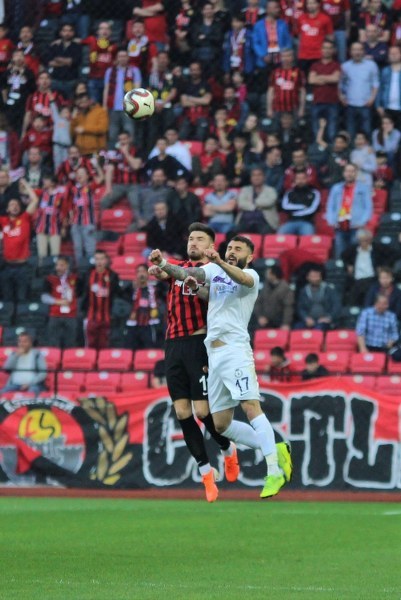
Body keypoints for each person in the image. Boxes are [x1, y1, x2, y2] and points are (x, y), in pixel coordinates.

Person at [154, 235, 293, 499]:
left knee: (251, 407)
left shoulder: (251, 275)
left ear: (249, 257)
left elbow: (240, 280)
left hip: (235, 350)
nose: (231, 251)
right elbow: (190, 273)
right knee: (220, 425)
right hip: (213, 353)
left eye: (238, 249)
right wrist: (166, 265)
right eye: (229, 247)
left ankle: (274, 471)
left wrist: (219, 262)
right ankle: (277, 447)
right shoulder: (215, 271)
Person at [148, 223, 241, 503]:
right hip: (172, 345)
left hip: (198, 344)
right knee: (182, 412)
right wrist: (158, 270)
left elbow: (180, 273)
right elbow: (170, 272)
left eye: (200, 239)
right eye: (191, 238)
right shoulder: (179, 268)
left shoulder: (213, 272)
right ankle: (205, 472)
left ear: (211, 246)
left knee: (202, 411)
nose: (193, 242)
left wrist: (163, 265)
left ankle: (227, 447)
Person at [0, 180, 39, 302]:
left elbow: (35, 200)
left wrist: (26, 185)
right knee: (7, 298)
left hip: (22, 267)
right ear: (7, 209)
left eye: (17, 204)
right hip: (6, 266)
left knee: (22, 298)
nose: (15, 206)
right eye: (12, 205)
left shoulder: (25, 218)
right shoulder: (3, 221)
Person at [326, 163, 373, 258]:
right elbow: (330, 206)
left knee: (355, 254)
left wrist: (362, 222)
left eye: (352, 171)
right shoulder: (336, 188)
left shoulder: (364, 188)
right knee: (340, 253)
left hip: (356, 226)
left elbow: (368, 207)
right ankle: (340, 271)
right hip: (339, 226)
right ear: (343, 173)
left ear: (356, 173)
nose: (349, 173)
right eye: (347, 171)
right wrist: (331, 220)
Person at [341, 228, 395, 306]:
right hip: (356, 280)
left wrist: (383, 266)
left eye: (366, 240)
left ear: (370, 240)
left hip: (372, 280)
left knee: (371, 295)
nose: (363, 243)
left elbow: (394, 254)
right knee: (350, 296)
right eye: (361, 241)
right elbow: (342, 256)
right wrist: (348, 265)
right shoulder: (353, 250)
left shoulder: (377, 248)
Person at [81, 250, 120, 349]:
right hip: (90, 318)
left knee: (105, 346)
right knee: (90, 346)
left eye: (102, 259)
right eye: (97, 259)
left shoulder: (113, 276)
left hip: (107, 318)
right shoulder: (88, 275)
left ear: (106, 261)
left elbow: (116, 294)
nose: (99, 262)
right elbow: (82, 293)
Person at [339, 42, 380, 139]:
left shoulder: (371, 65)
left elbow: (376, 83)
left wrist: (372, 99)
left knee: (367, 131)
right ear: (350, 51)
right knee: (350, 132)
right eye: (354, 49)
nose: (357, 52)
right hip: (350, 104)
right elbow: (340, 84)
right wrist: (341, 97)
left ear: (363, 51)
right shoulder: (345, 66)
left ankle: (366, 152)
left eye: (359, 49)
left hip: (366, 104)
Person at [103, 48, 142, 147]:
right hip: (113, 107)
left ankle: (129, 154)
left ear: (128, 58)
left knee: (130, 133)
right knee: (112, 133)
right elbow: (106, 89)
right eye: (120, 56)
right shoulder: (110, 71)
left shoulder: (134, 70)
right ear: (117, 58)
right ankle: (112, 155)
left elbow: (137, 89)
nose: (122, 58)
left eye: (124, 56)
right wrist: (104, 105)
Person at [41, 255, 80, 348]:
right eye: (57, 265)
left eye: (61, 265)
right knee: (53, 343)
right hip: (55, 315)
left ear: (68, 266)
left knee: (71, 343)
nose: (58, 268)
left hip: (71, 315)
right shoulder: (49, 279)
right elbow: (44, 297)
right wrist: (58, 302)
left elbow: (81, 294)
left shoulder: (76, 278)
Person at [101, 132, 143, 211]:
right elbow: (109, 170)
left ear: (130, 139)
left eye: (125, 139)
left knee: (136, 204)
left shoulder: (137, 151)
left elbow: (136, 166)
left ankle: (138, 223)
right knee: (104, 202)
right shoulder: (115, 153)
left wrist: (126, 153)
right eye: (120, 140)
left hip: (134, 185)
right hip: (119, 185)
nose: (123, 142)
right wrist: (108, 188)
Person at [308, 40, 341, 142]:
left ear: (333, 50)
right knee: (316, 130)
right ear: (321, 50)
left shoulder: (336, 65)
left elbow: (336, 79)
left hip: (332, 102)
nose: (327, 50)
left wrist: (320, 77)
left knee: (332, 131)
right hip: (317, 101)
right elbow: (311, 80)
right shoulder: (315, 65)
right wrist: (328, 78)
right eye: (325, 48)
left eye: (329, 48)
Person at [125, 263, 160, 350]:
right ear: (136, 275)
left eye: (143, 271)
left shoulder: (155, 290)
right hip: (133, 326)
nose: (141, 274)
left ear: (148, 274)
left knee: (149, 350)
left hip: (149, 326)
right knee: (130, 351)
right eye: (138, 272)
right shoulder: (130, 290)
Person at [235, 167, 279, 234]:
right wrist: (255, 206)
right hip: (245, 221)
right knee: (233, 233)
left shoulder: (271, 190)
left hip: (265, 221)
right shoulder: (244, 189)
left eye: (259, 175)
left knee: (265, 232)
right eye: (254, 175)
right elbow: (241, 203)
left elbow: (269, 202)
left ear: (264, 177)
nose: (256, 177)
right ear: (251, 178)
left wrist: (251, 203)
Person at [35, 173, 68, 262]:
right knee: (41, 254)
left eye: (47, 180)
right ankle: (42, 273)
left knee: (55, 254)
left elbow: (63, 212)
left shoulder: (60, 195)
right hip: (41, 228)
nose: (44, 181)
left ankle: (54, 273)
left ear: (53, 183)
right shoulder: (42, 194)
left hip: (55, 228)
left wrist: (64, 227)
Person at [296, 266, 341, 330]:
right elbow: (300, 308)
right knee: (297, 328)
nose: (316, 279)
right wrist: (306, 318)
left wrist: (328, 318)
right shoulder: (304, 291)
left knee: (318, 329)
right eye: (313, 276)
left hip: (325, 320)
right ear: (307, 278)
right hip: (309, 320)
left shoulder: (329, 289)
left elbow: (337, 306)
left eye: (317, 276)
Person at [279, 169, 321, 235]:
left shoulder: (314, 193)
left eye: (303, 178)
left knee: (308, 238)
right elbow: (285, 207)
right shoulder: (289, 193)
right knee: (280, 235)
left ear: (307, 179)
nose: (300, 181)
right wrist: (303, 206)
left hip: (307, 222)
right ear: (294, 180)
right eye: (298, 178)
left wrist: (294, 211)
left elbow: (312, 209)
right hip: (291, 222)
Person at [46, 23, 82, 99]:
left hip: (71, 81)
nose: (67, 33)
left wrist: (58, 59)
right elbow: (50, 62)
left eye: (69, 31)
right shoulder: (54, 46)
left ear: (73, 33)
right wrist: (67, 61)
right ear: (60, 32)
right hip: (56, 80)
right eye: (64, 30)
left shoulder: (77, 46)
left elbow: (75, 61)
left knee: (70, 104)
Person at [297, 0, 334, 74]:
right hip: (303, 55)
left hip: (318, 55)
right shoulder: (301, 18)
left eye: (313, 3)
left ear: (318, 4)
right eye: (308, 3)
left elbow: (330, 37)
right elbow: (300, 36)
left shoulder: (325, 19)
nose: (310, 5)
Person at [253, 265, 294, 329]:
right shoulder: (265, 286)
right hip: (265, 320)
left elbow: (288, 307)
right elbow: (258, 302)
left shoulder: (286, 289)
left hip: (280, 321)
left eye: (268, 273)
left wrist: (286, 323)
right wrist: (260, 316)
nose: (266, 275)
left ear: (273, 275)